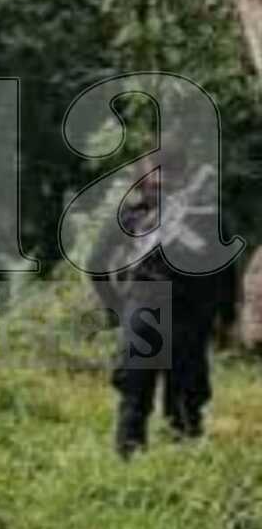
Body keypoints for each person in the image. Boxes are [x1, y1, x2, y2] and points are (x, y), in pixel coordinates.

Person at [94, 164, 238, 458]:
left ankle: (134, 469)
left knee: (142, 403)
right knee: (179, 408)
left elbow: (96, 264)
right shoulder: (209, 218)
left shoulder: (131, 215)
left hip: (151, 310)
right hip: (185, 314)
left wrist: (117, 308)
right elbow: (226, 275)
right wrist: (225, 319)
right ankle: (175, 469)